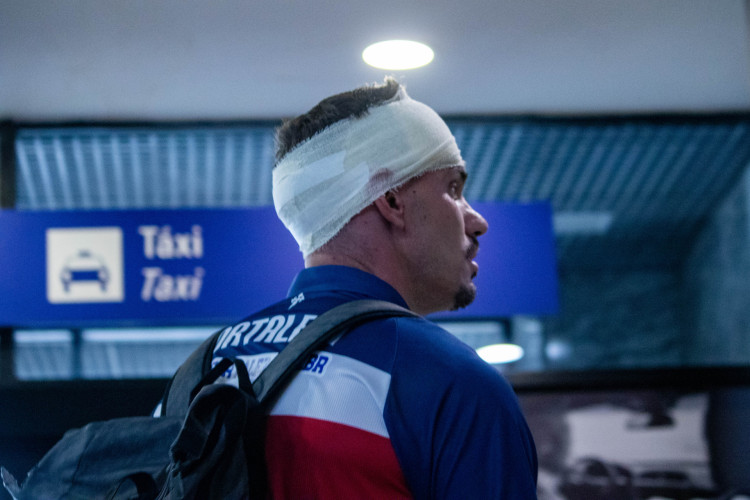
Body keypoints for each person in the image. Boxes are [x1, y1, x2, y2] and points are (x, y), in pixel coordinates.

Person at [213, 77, 538, 498]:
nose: (477, 221)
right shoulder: (449, 385)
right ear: (391, 201)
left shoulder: (202, 374)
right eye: (453, 190)